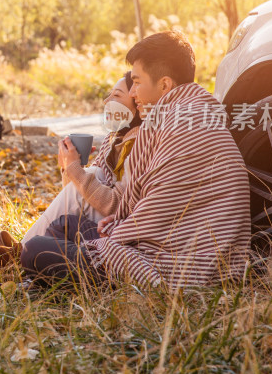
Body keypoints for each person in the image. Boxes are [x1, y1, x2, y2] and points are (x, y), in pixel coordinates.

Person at [20, 30, 251, 288]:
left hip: (171, 264)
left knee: (34, 250)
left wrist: (120, 228)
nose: (133, 94)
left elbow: (159, 215)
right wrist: (120, 220)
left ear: (164, 84)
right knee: (67, 225)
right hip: (169, 246)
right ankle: (34, 281)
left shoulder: (173, 122)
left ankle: (32, 274)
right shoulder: (197, 111)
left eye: (137, 83)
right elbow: (150, 195)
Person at [0, 71, 142, 266]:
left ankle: (18, 256)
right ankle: (21, 251)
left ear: (137, 102)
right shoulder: (115, 139)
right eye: (109, 94)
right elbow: (72, 196)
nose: (106, 101)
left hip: (121, 223)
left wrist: (74, 169)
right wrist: (67, 167)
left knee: (92, 176)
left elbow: (113, 204)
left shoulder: (139, 143)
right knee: (94, 174)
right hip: (106, 216)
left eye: (117, 95)